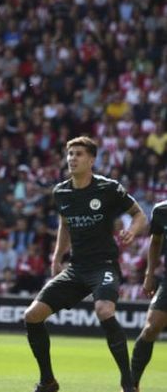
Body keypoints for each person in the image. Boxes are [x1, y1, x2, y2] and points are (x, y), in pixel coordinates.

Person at [23, 136, 146, 392]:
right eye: (70, 154)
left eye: (78, 154)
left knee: (103, 310)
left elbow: (139, 215)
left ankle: (128, 383)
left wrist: (133, 231)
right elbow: (65, 224)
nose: (72, 158)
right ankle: (48, 381)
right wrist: (58, 256)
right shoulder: (61, 192)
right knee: (32, 316)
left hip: (104, 265)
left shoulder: (108, 188)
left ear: (92, 160)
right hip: (77, 269)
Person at [130, 199, 167, 391]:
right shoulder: (161, 210)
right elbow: (156, 242)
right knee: (151, 328)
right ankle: (131, 384)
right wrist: (149, 274)